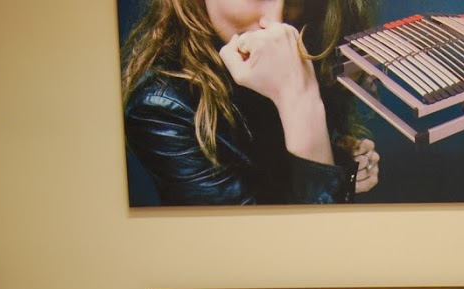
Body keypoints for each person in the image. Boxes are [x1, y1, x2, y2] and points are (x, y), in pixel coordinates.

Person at [122, 0, 379, 205]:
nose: (276, 21)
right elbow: (267, 248)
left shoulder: (306, 34)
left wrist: (334, 161)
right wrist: (302, 104)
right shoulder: (159, 107)